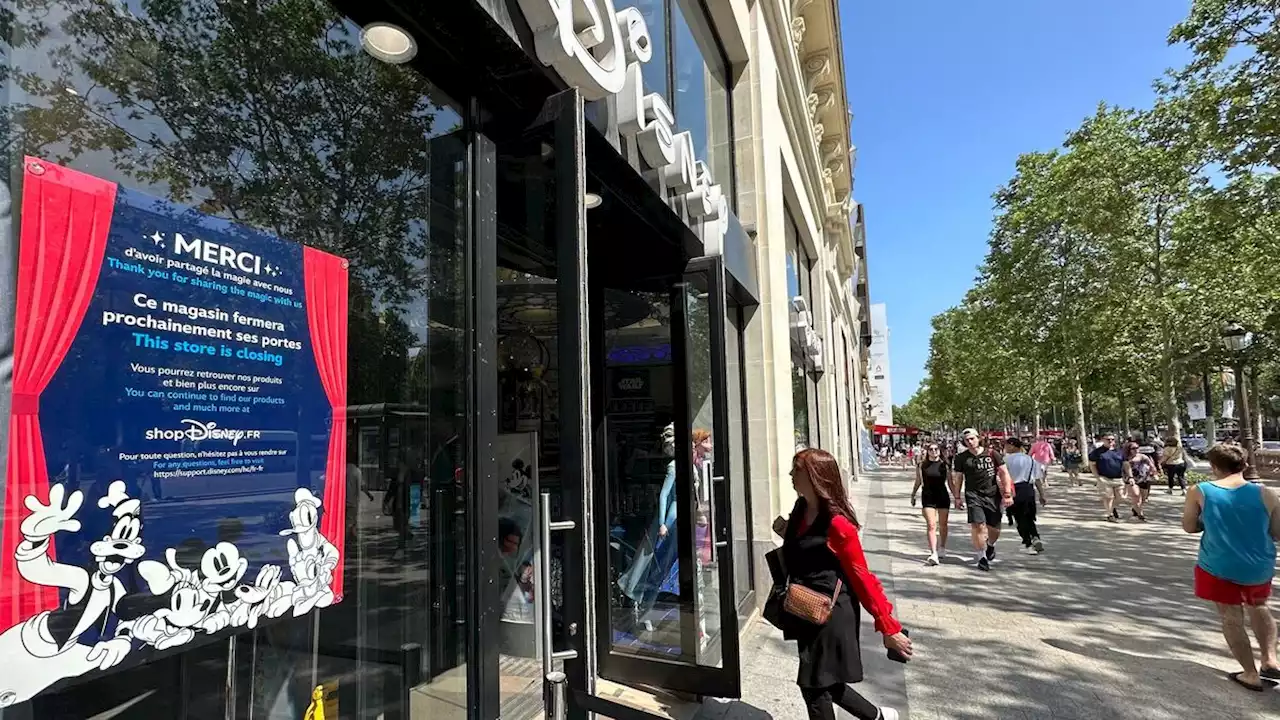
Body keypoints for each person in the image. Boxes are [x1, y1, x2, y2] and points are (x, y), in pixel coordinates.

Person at [784, 448, 912, 720]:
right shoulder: (800, 509)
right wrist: (787, 532)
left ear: (815, 476)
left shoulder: (838, 525)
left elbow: (862, 576)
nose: (791, 474)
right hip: (804, 608)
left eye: (797, 469)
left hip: (831, 612)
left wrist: (887, 626)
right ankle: (877, 716)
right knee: (825, 679)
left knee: (813, 686)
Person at [1181, 443, 1280, 691]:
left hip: (1218, 564)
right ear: (1244, 465)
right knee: (1259, 607)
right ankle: (1270, 660)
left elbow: (1189, 526)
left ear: (1214, 467)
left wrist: (1210, 522)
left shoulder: (1199, 491)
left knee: (1230, 617)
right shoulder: (1266, 493)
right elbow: (1277, 533)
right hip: (1258, 565)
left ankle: (1250, 674)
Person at [951, 428, 1014, 571]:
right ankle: (982, 557)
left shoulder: (992, 454)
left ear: (978, 438)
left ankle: (990, 545)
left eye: (972, 438)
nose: (970, 442)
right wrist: (957, 497)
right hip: (973, 495)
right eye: (966, 440)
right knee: (978, 525)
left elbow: (1004, 473)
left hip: (993, 495)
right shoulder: (961, 458)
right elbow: (958, 478)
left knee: (995, 528)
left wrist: (1008, 493)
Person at [1004, 438, 1047, 553]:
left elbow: (1002, 477)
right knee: (1028, 515)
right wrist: (1042, 495)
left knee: (1019, 517)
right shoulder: (1031, 460)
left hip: (1014, 489)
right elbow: (1038, 479)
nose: (1005, 448)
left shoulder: (1005, 460)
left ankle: (1027, 543)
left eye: (1007, 445)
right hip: (1028, 489)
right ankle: (1035, 536)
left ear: (1012, 446)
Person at [910, 443, 951, 565]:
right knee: (931, 525)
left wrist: (958, 497)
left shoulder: (945, 465)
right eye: (931, 449)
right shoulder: (922, 465)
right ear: (927, 452)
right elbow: (918, 480)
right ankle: (933, 553)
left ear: (939, 451)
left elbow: (950, 482)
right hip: (928, 496)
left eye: (936, 449)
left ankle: (942, 547)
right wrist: (913, 494)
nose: (933, 451)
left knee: (943, 524)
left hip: (942, 496)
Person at [1089, 433, 1129, 522]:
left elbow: (1126, 464)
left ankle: (1112, 508)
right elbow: (1092, 465)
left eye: (1112, 439)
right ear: (1103, 440)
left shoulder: (1119, 451)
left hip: (1118, 478)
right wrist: (1097, 477)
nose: (1110, 441)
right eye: (1108, 439)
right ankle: (1110, 515)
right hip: (1104, 478)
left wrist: (1130, 476)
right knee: (1108, 497)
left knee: (1121, 497)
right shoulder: (1097, 452)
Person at [1123, 441, 1154, 521]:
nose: (1136, 449)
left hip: (1144, 479)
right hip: (1131, 479)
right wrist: (1130, 477)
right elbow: (1125, 468)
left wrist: (1153, 472)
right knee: (1136, 495)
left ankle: (1135, 508)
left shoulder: (1143, 457)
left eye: (1137, 447)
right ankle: (1141, 514)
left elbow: (1151, 465)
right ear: (1129, 449)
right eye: (1133, 448)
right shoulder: (1126, 458)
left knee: (1143, 498)